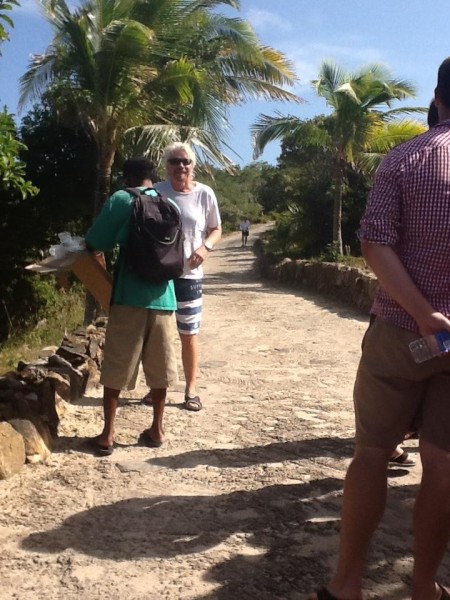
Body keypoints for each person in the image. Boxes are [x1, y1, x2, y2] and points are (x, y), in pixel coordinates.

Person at [309, 57, 450, 600]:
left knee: (371, 453)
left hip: (400, 332)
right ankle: (423, 586)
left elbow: (374, 242)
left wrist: (423, 314)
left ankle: (346, 583)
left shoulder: (404, 160)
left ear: (437, 96)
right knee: (442, 462)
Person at [85, 157, 178, 455]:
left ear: (127, 178)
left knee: (116, 364)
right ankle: (157, 429)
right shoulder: (169, 204)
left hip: (129, 297)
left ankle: (108, 434)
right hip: (165, 297)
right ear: (153, 178)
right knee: (160, 366)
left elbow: (95, 241)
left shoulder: (122, 199)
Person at [142, 142, 222, 412]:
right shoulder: (155, 192)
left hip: (190, 277)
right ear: (166, 166)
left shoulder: (204, 194)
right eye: (175, 162)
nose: (181, 167)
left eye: (185, 161)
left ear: (193, 165)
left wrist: (205, 247)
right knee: (157, 336)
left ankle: (191, 389)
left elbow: (216, 229)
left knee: (188, 334)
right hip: (160, 276)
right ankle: (157, 387)